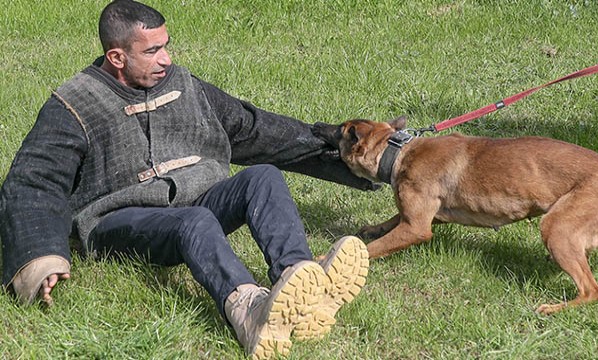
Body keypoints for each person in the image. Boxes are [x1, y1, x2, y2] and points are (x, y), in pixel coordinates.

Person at [0, 1, 376, 358]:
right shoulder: (74, 104)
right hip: (117, 221)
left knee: (263, 176)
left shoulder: (182, 83)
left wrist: (352, 156)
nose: (165, 59)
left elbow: (254, 129)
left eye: (166, 46)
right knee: (195, 222)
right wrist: (41, 259)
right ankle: (249, 310)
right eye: (151, 51)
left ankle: (297, 278)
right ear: (117, 57)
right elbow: (35, 181)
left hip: (193, 200)